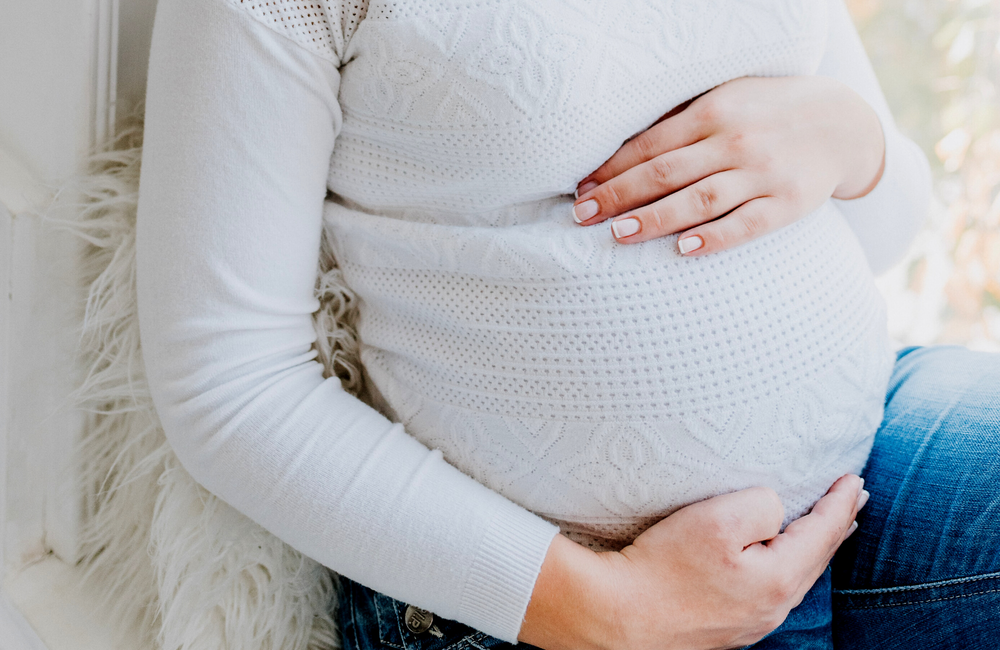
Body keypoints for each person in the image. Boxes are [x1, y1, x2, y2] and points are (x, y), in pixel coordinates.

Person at [134, 0, 1000, 648]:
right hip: (543, 597)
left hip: (865, 467)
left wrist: (854, 141)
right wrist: (609, 609)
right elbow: (228, 384)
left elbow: (881, 231)